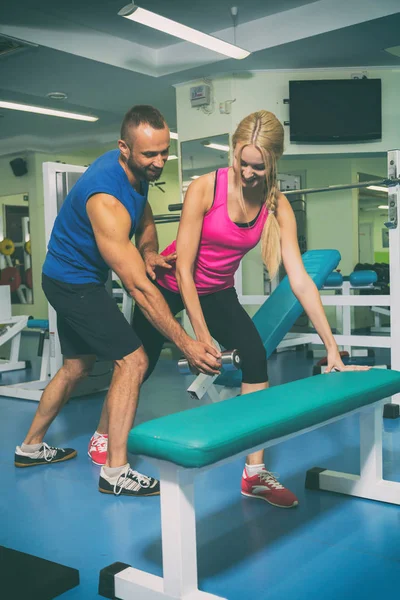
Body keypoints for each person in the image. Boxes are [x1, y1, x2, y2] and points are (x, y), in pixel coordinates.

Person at [88, 109, 368, 507]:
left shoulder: (276, 204)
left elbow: (300, 278)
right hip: (169, 284)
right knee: (139, 364)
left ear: (273, 162)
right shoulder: (206, 188)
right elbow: (184, 269)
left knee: (255, 357)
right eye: (243, 162)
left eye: (259, 166)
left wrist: (332, 347)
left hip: (217, 290)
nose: (250, 173)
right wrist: (199, 339)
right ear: (233, 152)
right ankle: (103, 433)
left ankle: (254, 473)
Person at [14, 105, 221, 498]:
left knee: (76, 367)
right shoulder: (104, 197)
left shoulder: (137, 172)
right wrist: (187, 343)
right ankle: (116, 472)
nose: (159, 162)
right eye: (150, 155)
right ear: (124, 148)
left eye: (164, 152)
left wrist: (146, 250)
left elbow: (143, 215)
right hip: (73, 284)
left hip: (71, 278)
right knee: (135, 359)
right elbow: (140, 290)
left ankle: (29, 448)